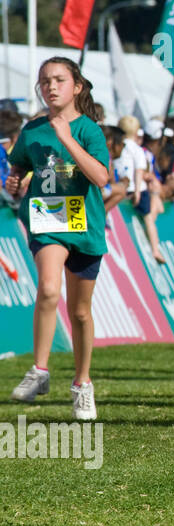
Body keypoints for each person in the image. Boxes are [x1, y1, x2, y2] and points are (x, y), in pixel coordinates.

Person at [6, 57, 111, 420]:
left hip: (84, 226)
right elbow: (19, 163)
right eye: (45, 81)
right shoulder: (32, 130)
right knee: (49, 289)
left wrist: (67, 136)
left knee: (80, 312)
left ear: (76, 87)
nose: (51, 87)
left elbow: (100, 177)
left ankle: (82, 383)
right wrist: (16, 179)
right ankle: (40, 370)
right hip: (47, 220)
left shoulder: (89, 131)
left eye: (59, 80)